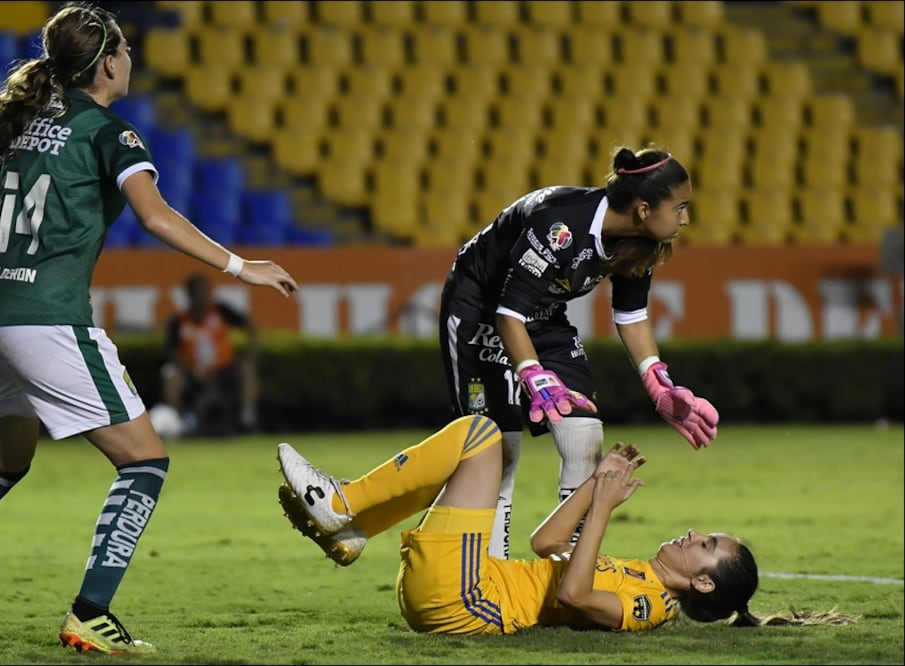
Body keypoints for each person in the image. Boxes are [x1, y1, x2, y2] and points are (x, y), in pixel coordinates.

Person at [0, 2, 298, 656]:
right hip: (49, 321)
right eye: (125, 48)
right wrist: (241, 266)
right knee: (146, 461)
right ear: (107, 61)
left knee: (1, 465)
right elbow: (156, 218)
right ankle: (89, 612)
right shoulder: (110, 133)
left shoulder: (20, 126)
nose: (130, 58)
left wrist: (13, 284)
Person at [275, 415, 855, 633]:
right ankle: (352, 529)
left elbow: (576, 596)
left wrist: (601, 509)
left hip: (469, 597)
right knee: (474, 448)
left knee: (478, 438)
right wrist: (595, 485)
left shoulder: (647, 608)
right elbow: (546, 542)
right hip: (463, 587)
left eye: (706, 546)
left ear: (703, 582)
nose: (693, 533)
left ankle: (344, 503)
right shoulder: (636, 572)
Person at [437, 145, 719, 559]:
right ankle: (488, 574)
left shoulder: (640, 242)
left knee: (584, 436)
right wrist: (533, 375)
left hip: (542, 316)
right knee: (497, 450)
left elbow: (631, 313)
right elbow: (508, 315)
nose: (686, 218)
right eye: (680, 207)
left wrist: (658, 383)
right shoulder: (560, 225)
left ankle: (568, 571)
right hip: (479, 308)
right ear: (644, 209)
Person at [160, 272, 259, 436]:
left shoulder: (221, 311)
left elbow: (250, 326)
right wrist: (193, 368)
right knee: (170, 374)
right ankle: (179, 421)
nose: (202, 297)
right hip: (192, 372)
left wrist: (252, 355)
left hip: (224, 369)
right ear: (189, 294)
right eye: (197, 292)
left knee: (247, 370)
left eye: (205, 291)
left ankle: (247, 418)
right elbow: (173, 352)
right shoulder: (178, 321)